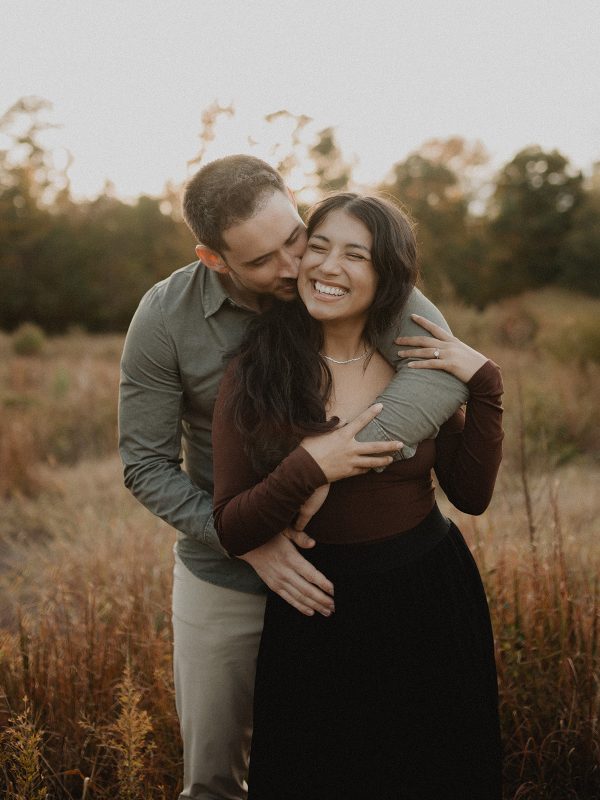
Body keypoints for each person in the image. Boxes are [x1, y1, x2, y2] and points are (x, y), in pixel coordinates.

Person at [118, 156, 469, 800]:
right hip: (224, 575)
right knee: (214, 778)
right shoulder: (165, 318)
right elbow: (144, 464)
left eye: (293, 238)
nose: (292, 267)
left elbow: (439, 375)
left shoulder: (343, 275)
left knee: (341, 766)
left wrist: (329, 465)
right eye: (260, 260)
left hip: (343, 578)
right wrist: (246, 537)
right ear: (212, 258)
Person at [212, 193, 504, 799]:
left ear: (386, 273)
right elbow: (233, 526)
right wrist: (309, 467)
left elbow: (471, 497)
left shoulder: (419, 366)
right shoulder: (257, 367)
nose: (328, 267)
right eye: (317, 247)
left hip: (427, 599)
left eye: (355, 255)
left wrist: (486, 387)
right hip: (316, 613)